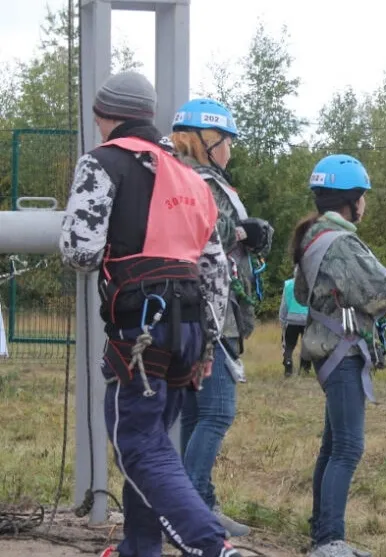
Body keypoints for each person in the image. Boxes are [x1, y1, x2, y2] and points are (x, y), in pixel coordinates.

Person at [59, 71, 242, 557]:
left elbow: (79, 251)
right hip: (188, 331)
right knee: (155, 444)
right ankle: (137, 548)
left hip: (139, 331)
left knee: (138, 448)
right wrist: (205, 348)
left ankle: (210, 547)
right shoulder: (191, 175)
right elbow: (216, 270)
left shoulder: (102, 163)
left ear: (106, 116)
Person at [171, 98, 273, 539]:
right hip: (213, 312)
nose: (230, 150)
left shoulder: (180, 177)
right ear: (206, 141)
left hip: (192, 310)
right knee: (216, 411)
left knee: (195, 414)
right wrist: (248, 232)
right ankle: (189, 510)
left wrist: (248, 232)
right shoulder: (201, 182)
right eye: (226, 141)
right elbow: (211, 234)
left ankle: (199, 504)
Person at [293, 154, 386, 557]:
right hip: (344, 351)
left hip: (329, 348)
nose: (365, 205)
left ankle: (323, 532)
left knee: (333, 445)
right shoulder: (341, 241)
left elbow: (303, 294)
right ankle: (329, 540)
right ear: (351, 199)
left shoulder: (313, 235)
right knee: (348, 447)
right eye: (364, 197)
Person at [281, 272, 312, 377]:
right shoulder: (310, 284)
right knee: (306, 346)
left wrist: (282, 319)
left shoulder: (288, 284)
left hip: (291, 319)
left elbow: (284, 304)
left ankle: (288, 366)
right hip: (307, 319)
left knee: (288, 345)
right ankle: (305, 369)